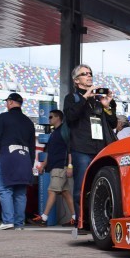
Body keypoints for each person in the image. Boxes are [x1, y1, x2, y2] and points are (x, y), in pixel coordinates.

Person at [64, 64, 118, 223]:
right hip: (81, 149)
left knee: (101, 184)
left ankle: (99, 220)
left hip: (101, 149)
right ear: (76, 80)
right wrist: (84, 97)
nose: (89, 76)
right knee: (81, 186)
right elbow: (71, 117)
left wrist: (107, 106)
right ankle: (81, 220)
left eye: (90, 73)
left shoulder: (98, 100)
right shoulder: (72, 98)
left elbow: (113, 124)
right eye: (84, 74)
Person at [31, 109, 76, 226]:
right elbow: (50, 152)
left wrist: (70, 166)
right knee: (66, 193)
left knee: (51, 191)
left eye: (51, 117)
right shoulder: (54, 133)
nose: (49, 119)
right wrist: (43, 165)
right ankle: (74, 218)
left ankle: (44, 218)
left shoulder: (64, 131)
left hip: (60, 166)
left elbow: (70, 149)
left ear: (58, 118)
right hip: (57, 167)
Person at [0, 93, 36, 230]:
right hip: (25, 157)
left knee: (5, 189)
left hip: (7, 156)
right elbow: (32, 146)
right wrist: (30, 164)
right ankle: (19, 224)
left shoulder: (2, 117)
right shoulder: (29, 122)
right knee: (20, 192)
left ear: (10, 102)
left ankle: (8, 220)